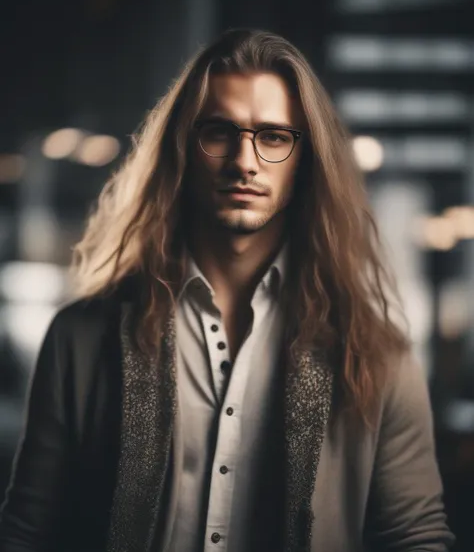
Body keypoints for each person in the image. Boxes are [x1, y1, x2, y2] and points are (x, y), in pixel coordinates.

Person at [0, 28, 454, 552]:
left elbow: (413, 537)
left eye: (274, 136)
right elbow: (29, 533)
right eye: (219, 132)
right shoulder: (81, 337)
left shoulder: (375, 352)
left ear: (306, 160)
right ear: (182, 148)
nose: (245, 161)